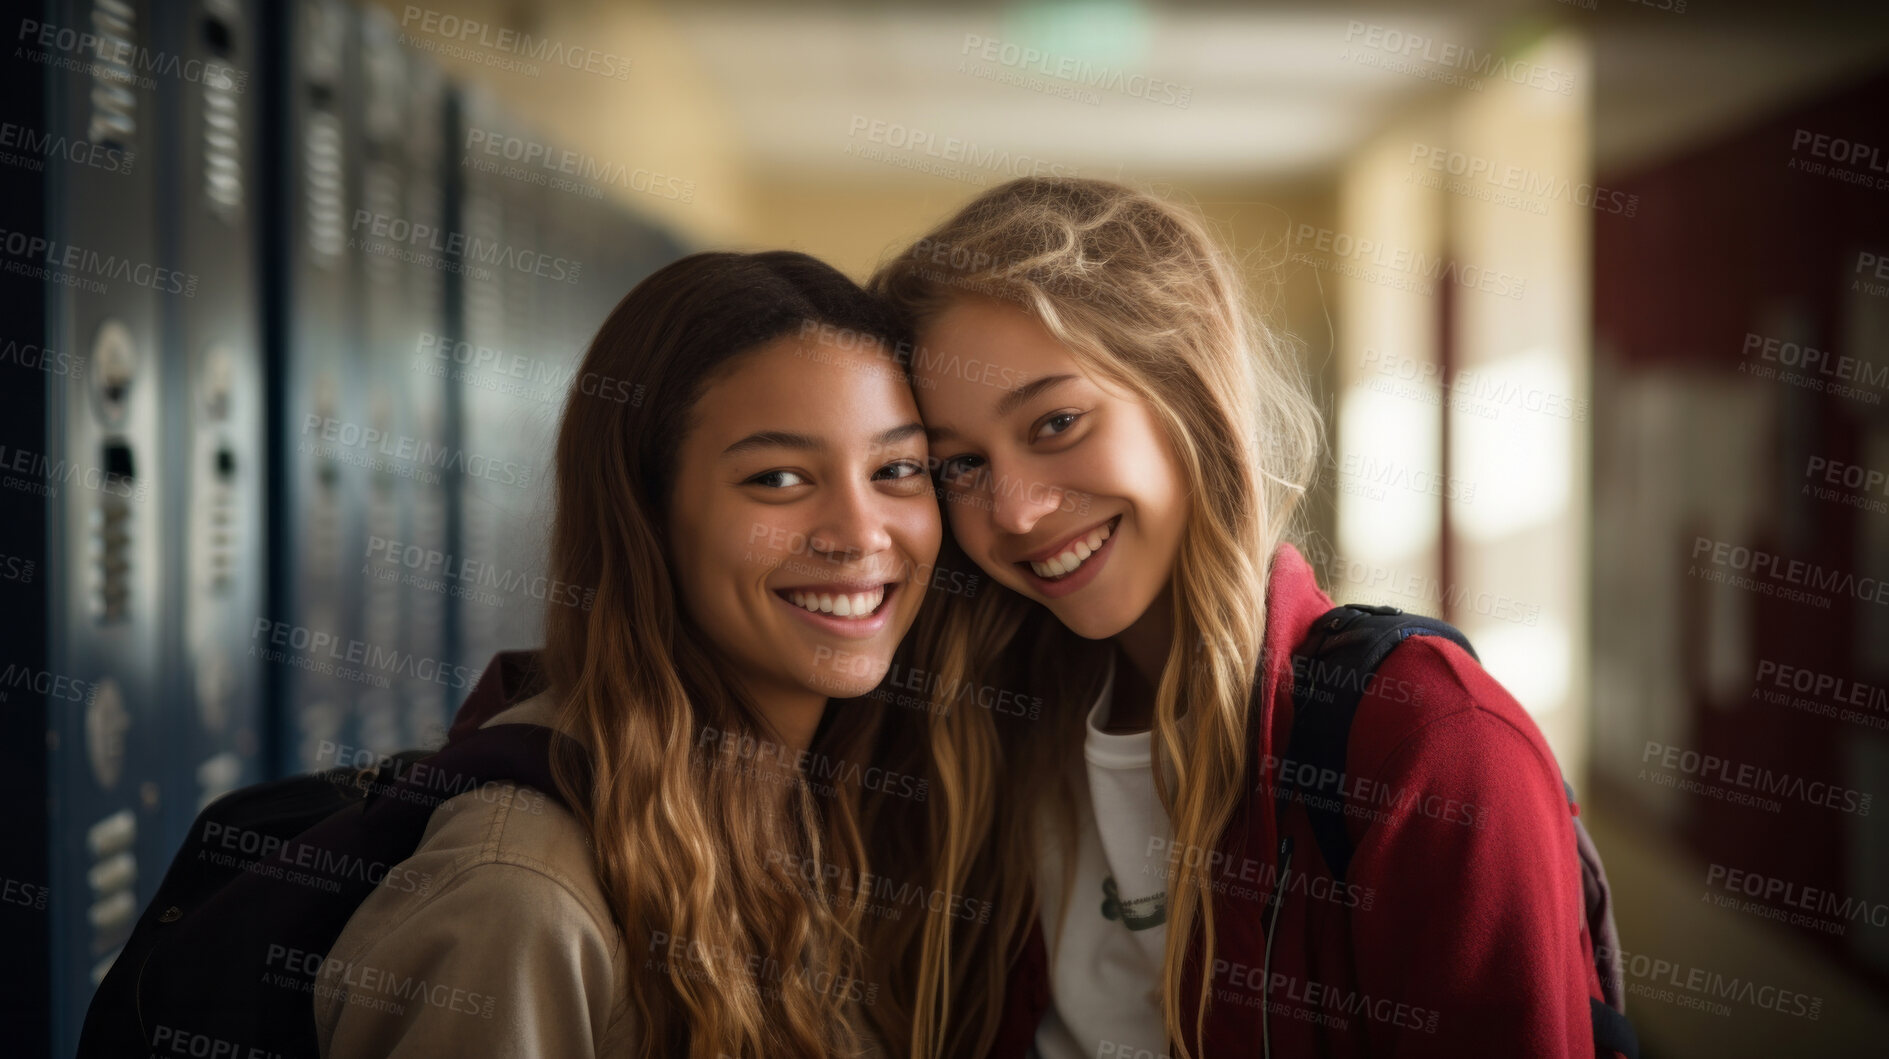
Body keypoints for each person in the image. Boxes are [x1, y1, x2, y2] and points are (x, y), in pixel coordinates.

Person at [871, 178, 1611, 1059]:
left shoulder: (1431, 744)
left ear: (1184, 390)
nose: (1018, 509)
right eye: (960, 466)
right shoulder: (986, 730)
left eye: (1057, 421)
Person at [316, 251, 941, 1059]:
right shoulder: (520, 898)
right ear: (644, 515)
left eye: (896, 469)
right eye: (779, 478)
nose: (860, 533)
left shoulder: (830, 809)